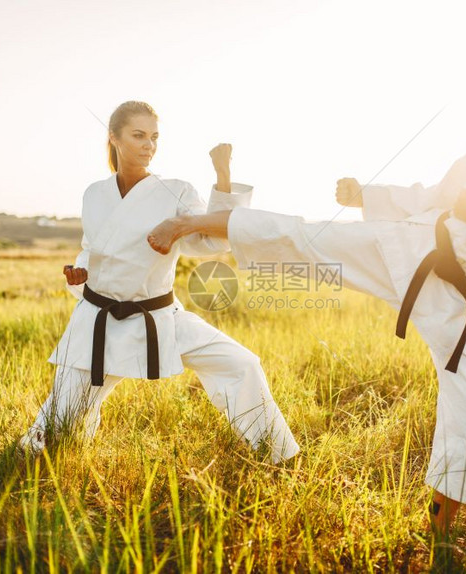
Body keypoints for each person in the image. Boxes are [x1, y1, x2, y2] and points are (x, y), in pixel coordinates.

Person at [145, 46, 466, 534]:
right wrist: (367, 198)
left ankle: (440, 535)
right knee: (306, 238)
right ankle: (190, 223)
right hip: (412, 246)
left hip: (464, 301)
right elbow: (436, 196)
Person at [19, 101, 300, 464]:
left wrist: (221, 175)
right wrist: (79, 272)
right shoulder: (94, 194)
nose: (148, 145)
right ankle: (42, 459)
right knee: (56, 427)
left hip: (159, 316)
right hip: (99, 319)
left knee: (241, 364)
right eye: (138, 136)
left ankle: (279, 457)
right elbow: (91, 250)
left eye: (154, 137)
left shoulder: (176, 190)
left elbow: (214, 241)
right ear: (114, 138)